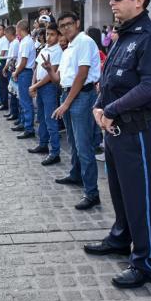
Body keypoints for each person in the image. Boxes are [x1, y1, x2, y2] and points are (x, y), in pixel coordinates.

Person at [84, 0, 151, 288]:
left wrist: (109, 110)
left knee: (141, 197)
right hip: (113, 130)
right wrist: (100, 106)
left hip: (136, 129)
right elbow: (109, 79)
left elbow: (148, 86)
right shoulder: (124, 36)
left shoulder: (147, 37)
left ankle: (145, 261)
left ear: (139, 1)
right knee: (120, 192)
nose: (111, 2)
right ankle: (121, 237)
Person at [42, 11, 101, 210]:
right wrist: (50, 70)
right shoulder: (68, 47)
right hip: (68, 95)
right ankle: (76, 175)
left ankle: (92, 193)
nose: (66, 28)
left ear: (77, 23)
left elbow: (82, 75)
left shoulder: (83, 41)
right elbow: (59, 79)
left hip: (81, 97)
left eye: (69, 24)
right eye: (62, 25)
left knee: (84, 147)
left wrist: (66, 103)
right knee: (74, 143)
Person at [28, 24, 62, 165]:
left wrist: (35, 85)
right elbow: (36, 68)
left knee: (50, 120)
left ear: (58, 36)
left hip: (49, 87)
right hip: (40, 87)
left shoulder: (58, 51)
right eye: (47, 34)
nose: (48, 37)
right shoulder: (44, 48)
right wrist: (33, 83)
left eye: (52, 34)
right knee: (41, 117)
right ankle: (43, 144)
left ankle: (55, 152)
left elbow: (51, 73)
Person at [12, 20, 36, 138]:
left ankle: (29, 128)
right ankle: (24, 123)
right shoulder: (25, 41)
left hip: (25, 72)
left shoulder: (26, 42)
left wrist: (16, 72)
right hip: (24, 72)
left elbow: (24, 61)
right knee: (22, 100)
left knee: (26, 101)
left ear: (21, 29)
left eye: (16, 29)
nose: (16, 32)